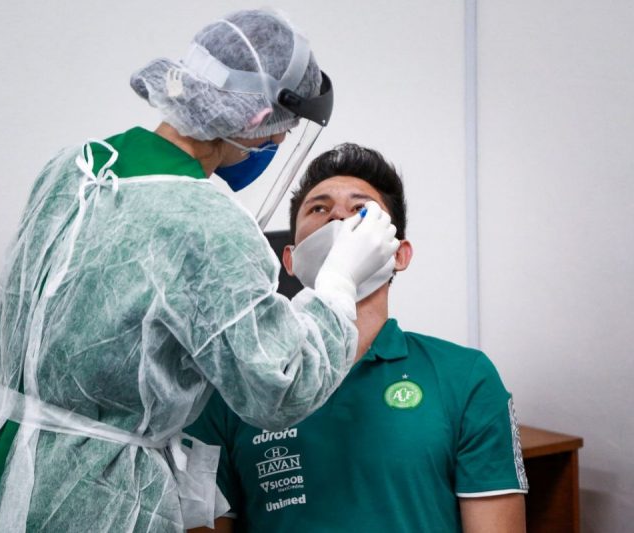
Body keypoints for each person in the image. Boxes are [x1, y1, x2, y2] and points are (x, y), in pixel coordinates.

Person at [0, 11, 399, 533]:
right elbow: (280, 390)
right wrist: (338, 283)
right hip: (85, 500)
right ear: (257, 118)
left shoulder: (73, 168)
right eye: (284, 129)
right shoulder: (206, 221)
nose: (281, 143)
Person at [186, 143, 529, 533]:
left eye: (361, 209)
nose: (338, 215)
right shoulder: (235, 385)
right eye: (319, 208)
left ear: (399, 255)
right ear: (290, 260)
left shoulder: (465, 377)